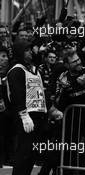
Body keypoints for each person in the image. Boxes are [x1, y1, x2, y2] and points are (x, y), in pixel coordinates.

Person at [7, 40, 48, 175]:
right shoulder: (16, 70)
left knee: (32, 153)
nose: (30, 51)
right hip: (26, 117)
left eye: (30, 49)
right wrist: (24, 115)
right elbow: (16, 94)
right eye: (26, 50)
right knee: (24, 152)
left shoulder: (34, 69)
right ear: (19, 52)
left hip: (38, 116)